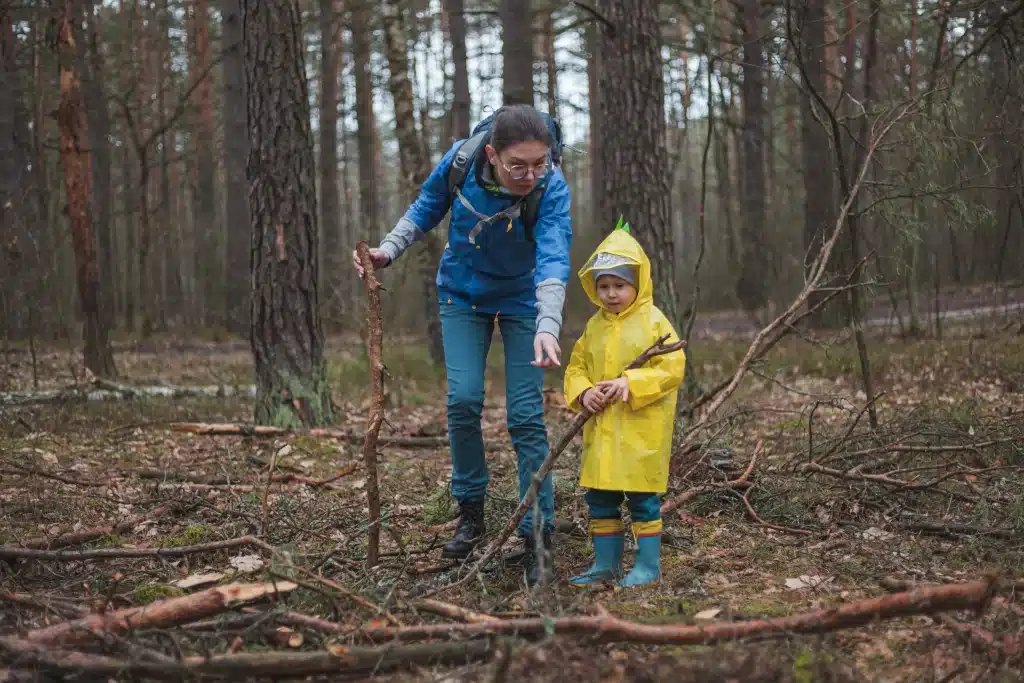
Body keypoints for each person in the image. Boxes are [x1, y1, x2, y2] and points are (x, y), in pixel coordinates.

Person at [352, 104, 572, 586]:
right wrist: (387, 250)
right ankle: (470, 512)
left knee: (525, 416)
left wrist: (548, 326)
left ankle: (538, 531)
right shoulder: (460, 161)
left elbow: (555, 253)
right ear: (492, 154)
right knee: (464, 400)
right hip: (463, 294)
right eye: (518, 165)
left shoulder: (551, 186)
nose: (530, 175)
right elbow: (426, 206)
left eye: (540, 164)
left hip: (525, 301)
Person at [562, 220, 686, 587]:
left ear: (638, 283)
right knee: (601, 499)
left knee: (643, 501)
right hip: (602, 432)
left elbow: (672, 367)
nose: (612, 293)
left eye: (619, 285)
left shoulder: (653, 322)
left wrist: (630, 382)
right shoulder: (594, 326)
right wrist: (584, 392)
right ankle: (606, 565)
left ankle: (647, 566)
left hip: (641, 432)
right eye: (604, 286)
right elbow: (576, 367)